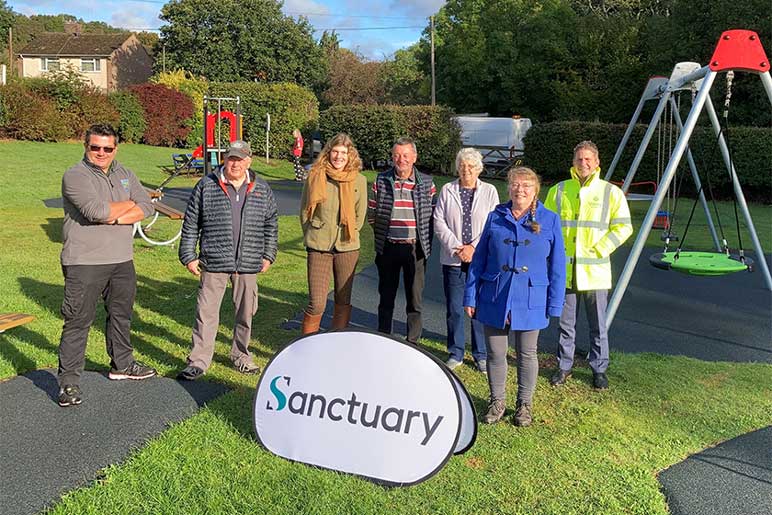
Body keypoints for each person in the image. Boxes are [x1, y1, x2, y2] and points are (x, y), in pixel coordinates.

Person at [57, 123, 157, 407]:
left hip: (122, 260)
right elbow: (95, 211)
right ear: (85, 146)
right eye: (95, 147)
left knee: (121, 316)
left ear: (116, 149)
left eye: (107, 148)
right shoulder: (75, 175)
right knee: (78, 322)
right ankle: (68, 383)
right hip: (84, 262)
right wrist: (126, 208)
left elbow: (147, 206)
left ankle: (122, 365)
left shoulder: (125, 173)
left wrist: (114, 216)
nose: (101, 153)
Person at [464, 167, 565, 426]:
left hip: (532, 297)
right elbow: (478, 260)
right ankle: (497, 401)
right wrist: (470, 296)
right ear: (508, 188)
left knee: (527, 353)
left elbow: (557, 265)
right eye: (516, 185)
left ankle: (524, 405)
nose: (520, 190)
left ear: (535, 191)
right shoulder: (495, 217)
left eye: (526, 186)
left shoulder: (550, 220)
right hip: (495, 294)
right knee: (496, 353)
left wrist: (554, 303)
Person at [177, 140, 278, 380]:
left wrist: (268, 254)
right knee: (206, 312)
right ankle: (198, 361)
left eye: (240, 159)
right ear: (224, 159)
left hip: (249, 261)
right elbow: (191, 222)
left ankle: (241, 355)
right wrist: (188, 255)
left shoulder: (261, 188)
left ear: (249, 161)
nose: (235, 163)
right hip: (214, 260)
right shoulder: (206, 185)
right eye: (231, 158)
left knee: (246, 313)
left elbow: (271, 223)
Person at [544, 140, 633, 390]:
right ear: (573, 163)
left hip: (595, 271)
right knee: (565, 324)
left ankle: (599, 369)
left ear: (596, 163)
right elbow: (548, 225)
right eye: (579, 159)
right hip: (566, 271)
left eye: (588, 159)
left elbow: (624, 226)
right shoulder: (559, 190)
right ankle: (564, 366)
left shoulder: (610, 192)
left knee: (598, 325)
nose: (583, 163)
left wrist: (601, 248)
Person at [434, 148, 499, 373]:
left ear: (479, 169)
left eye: (471, 166)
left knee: (478, 307)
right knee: (454, 307)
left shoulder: (490, 191)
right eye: (462, 165)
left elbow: (493, 223)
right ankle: (456, 351)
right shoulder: (447, 189)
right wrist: (457, 247)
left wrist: (473, 247)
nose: (466, 170)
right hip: (453, 258)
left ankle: (481, 354)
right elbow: (439, 221)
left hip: (480, 258)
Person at [368, 137, 436, 344]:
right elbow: (372, 213)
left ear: (414, 157)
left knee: (414, 299)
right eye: (397, 155)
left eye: (406, 155)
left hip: (415, 249)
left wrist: (424, 243)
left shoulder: (427, 183)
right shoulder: (381, 180)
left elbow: (433, 217)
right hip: (388, 247)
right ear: (392, 157)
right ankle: (383, 337)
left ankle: (412, 341)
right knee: (386, 296)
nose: (401, 159)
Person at [299, 133, 368, 334]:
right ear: (328, 153)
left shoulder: (360, 180)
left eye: (343, 153)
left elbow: (360, 216)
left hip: (347, 246)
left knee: (343, 299)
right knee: (317, 302)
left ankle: (336, 344)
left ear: (350, 155)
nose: (339, 157)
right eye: (335, 152)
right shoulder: (315, 175)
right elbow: (304, 211)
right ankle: (307, 344)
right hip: (319, 245)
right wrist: (313, 232)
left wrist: (349, 231)